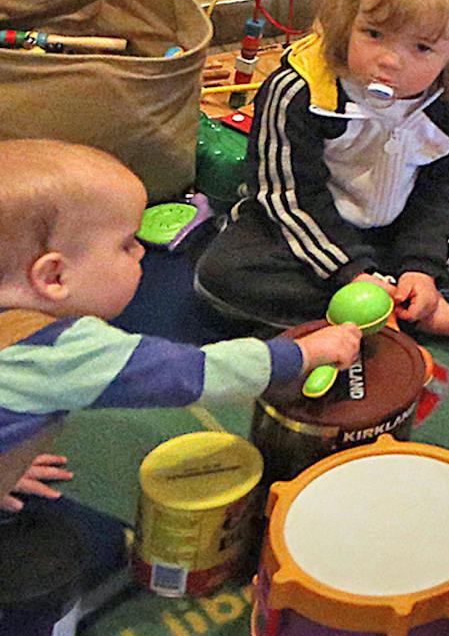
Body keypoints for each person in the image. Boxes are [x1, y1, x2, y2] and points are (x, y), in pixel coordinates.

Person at [196, 0, 449, 350]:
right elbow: (288, 196)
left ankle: (387, 303)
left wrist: (422, 268)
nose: (389, 60)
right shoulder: (301, 91)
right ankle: (390, 310)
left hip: (398, 227)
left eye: (422, 47)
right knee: (223, 276)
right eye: (373, 34)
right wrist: (351, 270)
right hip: (312, 227)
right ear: (349, 19)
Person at [2, 140, 360, 513]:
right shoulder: (59, 351)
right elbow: (192, 373)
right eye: (126, 245)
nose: (142, 251)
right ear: (54, 275)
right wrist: (302, 353)